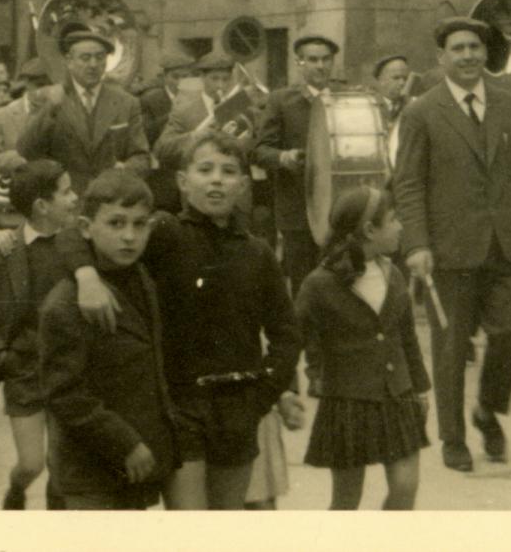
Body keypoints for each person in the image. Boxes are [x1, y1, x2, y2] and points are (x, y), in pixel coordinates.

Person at [66, 133, 301, 509]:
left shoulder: (257, 252)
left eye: (228, 172)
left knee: (226, 523)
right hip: (180, 406)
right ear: (182, 181)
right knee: (189, 527)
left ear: (243, 184)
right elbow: (78, 235)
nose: (216, 180)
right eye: (204, 169)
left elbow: (286, 333)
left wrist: (263, 395)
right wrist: (85, 275)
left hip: (239, 407)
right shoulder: (161, 233)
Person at [392, 16, 511, 473]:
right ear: (441, 59)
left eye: (475, 48)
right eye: (458, 49)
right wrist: (417, 244)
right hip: (449, 248)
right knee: (451, 346)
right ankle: (453, 436)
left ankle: (487, 410)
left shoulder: (510, 106)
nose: (467, 56)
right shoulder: (421, 111)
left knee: (509, 332)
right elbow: (408, 185)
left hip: (507, 244)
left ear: (487, 55)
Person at [39, 169, 180, 510]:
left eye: (139, 224)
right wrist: (126, 443)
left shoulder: (139, 277)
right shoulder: (67, 302)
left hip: (131, 468)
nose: (129, 236)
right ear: (87, 228)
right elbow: (65, 393)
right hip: (89, 472)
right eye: (116, 224)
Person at [297, 187, 431, 509]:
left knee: (405, 489)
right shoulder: (319, 283)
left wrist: (420, 389)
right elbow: (296, 336)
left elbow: (407, 337)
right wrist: (311, 375)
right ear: (370, 230)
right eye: (394, 220)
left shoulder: (394, 275)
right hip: (347, 402)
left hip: (397, 396)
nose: (401, 227)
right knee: (346, 501)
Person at [0, 160, 80, 510]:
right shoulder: (4, 250)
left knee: (63, 468)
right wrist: (1, 355)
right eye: (66, 192)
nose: (75, 198)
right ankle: (16, 492)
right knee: (32, 463)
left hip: (70, 369)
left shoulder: (79, 244)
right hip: (24, 371)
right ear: (42, 206)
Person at [18, 24, 150, 195]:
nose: (93, 64)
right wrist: (50, 108)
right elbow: (26, 150)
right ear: (69, 61)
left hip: (110, 200)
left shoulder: (127, 102)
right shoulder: (46, 97)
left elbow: (142, 157)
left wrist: (124, 171)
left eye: (100, 57)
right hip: (64, 202)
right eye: (85, 58)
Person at [255, 34, 341, 293]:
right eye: (312, 60)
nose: (320, 65)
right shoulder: (281, 100)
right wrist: (284, 157)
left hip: (339, 207)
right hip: (297, 209)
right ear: (299, 63)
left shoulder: (345, 96)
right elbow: (259, 150)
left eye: (326, 59)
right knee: (304, 285)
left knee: (341, 282)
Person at [153, 50, 238, 164]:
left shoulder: (237, 106)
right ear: (202, 77)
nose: (220, 85)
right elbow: (161, 149)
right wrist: (196, 135)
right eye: (214, 78)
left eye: (225, 79)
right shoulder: (184, 110)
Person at [0, 60, 52, 180]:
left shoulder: (64, 113)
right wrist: (19, 159)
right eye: (40, 85)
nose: (45, 92)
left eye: (51, 86)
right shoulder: (1, 116)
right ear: (27, 84)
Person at [140, 51, 199, 148]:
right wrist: (173, 113)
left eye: (185, 76)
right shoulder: (150, 100)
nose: (180, 82)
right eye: (175, 77)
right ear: (164, 77)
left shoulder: (197, 98)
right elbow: (146, 135)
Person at [372, 54, 413, 127]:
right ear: (381, 80)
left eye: (405, 78)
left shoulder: (412, 106)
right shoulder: (369, 106)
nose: (402, 83)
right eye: (396, 78)